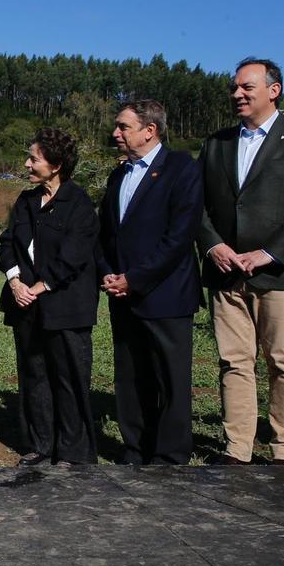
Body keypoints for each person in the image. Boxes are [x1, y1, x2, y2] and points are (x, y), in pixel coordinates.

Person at [198, 58, 284, 465]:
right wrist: (213, 245)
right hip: (226, 272)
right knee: (234, 363)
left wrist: (270, 252)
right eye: (234, 88)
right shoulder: (216, 143)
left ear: (273, 90)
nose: (237, 94)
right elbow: (197, 205)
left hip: (280, 272)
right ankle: (237, 449)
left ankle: (283, 452)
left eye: (247, 87)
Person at [97, 100, 203, 465]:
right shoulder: (118, 176)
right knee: (129, 375)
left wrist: (136, 279)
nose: (116, 133)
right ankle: (136, 446)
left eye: (123, 126)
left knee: (169, 377)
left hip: (166, 293)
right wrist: (107, 272)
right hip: (121, 294)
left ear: (149, 130)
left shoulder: (180, 168)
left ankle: (170, 452)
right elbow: (107, 233)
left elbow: (179, 236)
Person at [0, 128, 99, 466]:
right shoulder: (26, 201)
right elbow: (8, 243)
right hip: (25, 306)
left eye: (34, 158)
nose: (26, 163)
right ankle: (40, 444)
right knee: (34, 374)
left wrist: (37, 288)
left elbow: (73, 255)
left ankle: (73, 450)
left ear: (56, 165)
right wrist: (15, 282)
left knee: (68, 378)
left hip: (65, 306)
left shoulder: (79, 203)